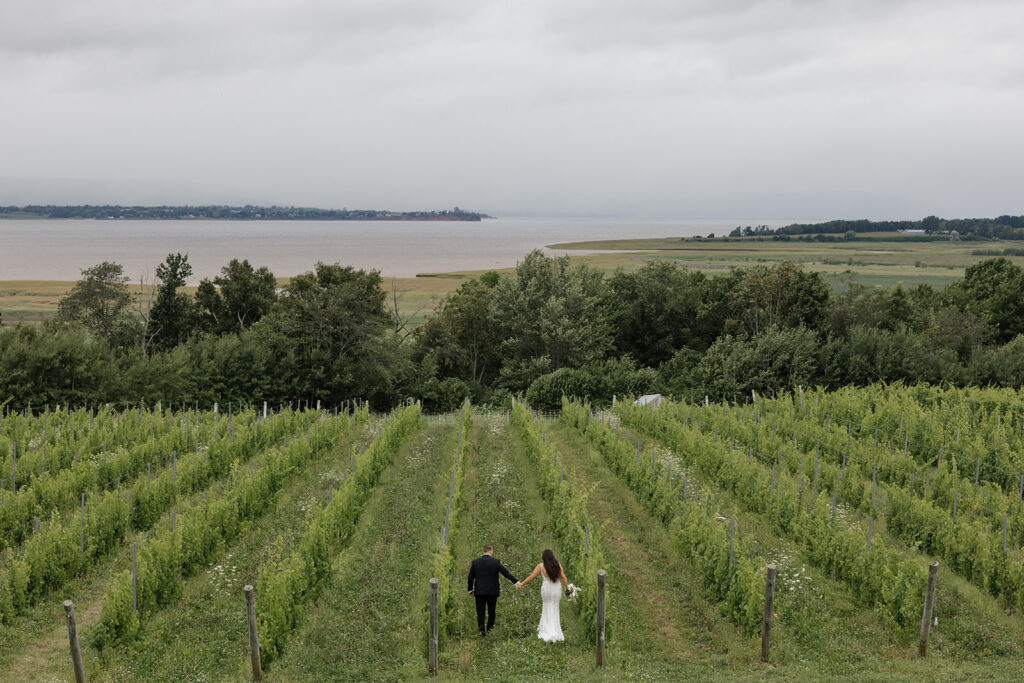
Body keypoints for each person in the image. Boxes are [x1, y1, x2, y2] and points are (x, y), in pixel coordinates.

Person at [515, 548, 569, 642]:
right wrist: (567, 587)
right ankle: (555, 630)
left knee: (547, 607)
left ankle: (548, 629)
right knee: (555, 607)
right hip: (556, 588)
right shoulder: (557, 564)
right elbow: (563, 576)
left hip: (546, 589)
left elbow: (531, 577)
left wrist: (522, 584)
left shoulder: (541, 566)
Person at [468, 544, 519, 637]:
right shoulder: (495, 562)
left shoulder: (475, 562)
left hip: (479, 592)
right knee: (492, 611)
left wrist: (470, 590)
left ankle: (482, 633)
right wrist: (515, 582)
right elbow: (505, 573)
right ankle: (490, 630)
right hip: (492, 592)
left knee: (480, 613)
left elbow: (470, 577)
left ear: (483, 551)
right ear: (491, 551)